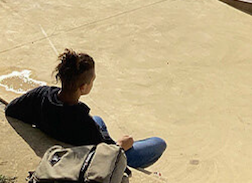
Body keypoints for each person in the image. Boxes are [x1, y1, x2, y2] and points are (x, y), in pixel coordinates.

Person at [4, 49, 166, 170]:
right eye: (92, 80)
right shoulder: (80, 119)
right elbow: (105, 155)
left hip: (67, 134)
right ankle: (129, 166)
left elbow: (11, 110)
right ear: (83, 87)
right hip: (93, 149)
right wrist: (121, 145)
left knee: (98, 120)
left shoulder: (41, 94)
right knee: (158, 143)